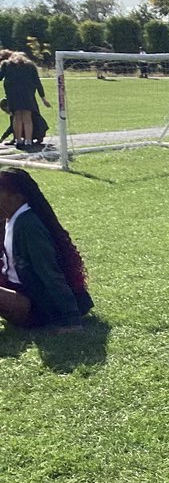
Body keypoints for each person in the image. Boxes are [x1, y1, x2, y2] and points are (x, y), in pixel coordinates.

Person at [0, 166, 93, 330]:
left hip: (37, 305)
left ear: (17, 197)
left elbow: (50, 273)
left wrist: (71, 319)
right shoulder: (9, 219)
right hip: (18, 290)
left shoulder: (27, 226)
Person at [0, 51, 51, 151]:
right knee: (27, 118)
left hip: (13, 95)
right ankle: (28, 141)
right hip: (27, 95)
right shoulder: (31, 66)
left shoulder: (6, 65)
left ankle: (18, 140)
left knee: (16, 117)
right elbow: (37, 82)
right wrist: (43, 98)